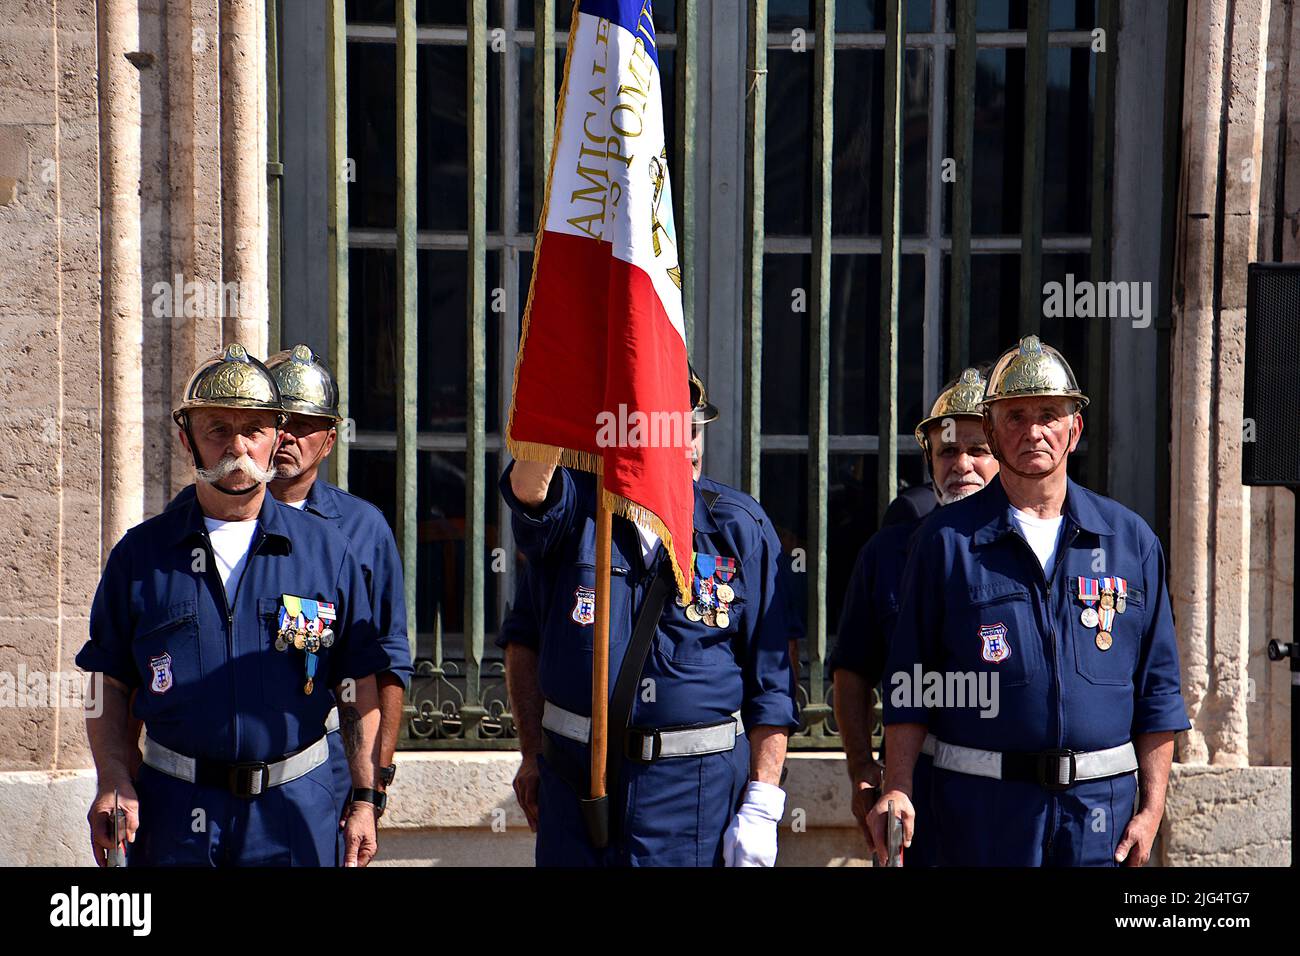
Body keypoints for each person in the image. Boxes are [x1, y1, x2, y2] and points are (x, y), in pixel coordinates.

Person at [869, 336, 1190, 867]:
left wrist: (1153, 808)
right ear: (992, 434)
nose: (1033, 431)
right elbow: (910, 682)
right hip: (981, 817)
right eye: (1014, 417)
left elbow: (1158, 688)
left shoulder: (1129, 541)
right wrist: (897, 785)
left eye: (1048, 414)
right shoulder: (946, 542)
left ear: (1074, 428)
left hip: (1098, 819)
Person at [78, 344, 395, 866]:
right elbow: (106, 680)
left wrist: (364, 796)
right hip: (175, 815)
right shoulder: (141, 555)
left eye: (254, 429)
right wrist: (113, 777)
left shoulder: (326, 553)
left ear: (276, 437)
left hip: (296, 815)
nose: (238, 446)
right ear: (187, 439)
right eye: (217, 429)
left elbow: (359, 680)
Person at [500, 365, 798, 866]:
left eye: (694, 429)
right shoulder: (576, 517)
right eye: (669, 431)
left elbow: (773, 682)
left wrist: (764, 804)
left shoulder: (739, 528)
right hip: (580, 787)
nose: (689, 447)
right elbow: (529, 492)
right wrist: (532, 753)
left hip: (695, 799)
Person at [167, 344, 413, 816]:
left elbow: (385, 658)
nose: (288, 440)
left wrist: (375, 781)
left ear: (331, 438)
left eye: (305, 427)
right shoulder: (189, 517)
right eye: (283, 424)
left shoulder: (361, 529)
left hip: (330, 760)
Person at [829, 367, 998, 865]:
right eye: (947, 451)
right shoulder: (887, 552)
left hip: (1014, 795)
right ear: (929, 460)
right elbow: (853, 668)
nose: (961, 464)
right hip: (919, 791)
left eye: (977, 450)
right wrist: (863, 769)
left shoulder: (1033, 544)